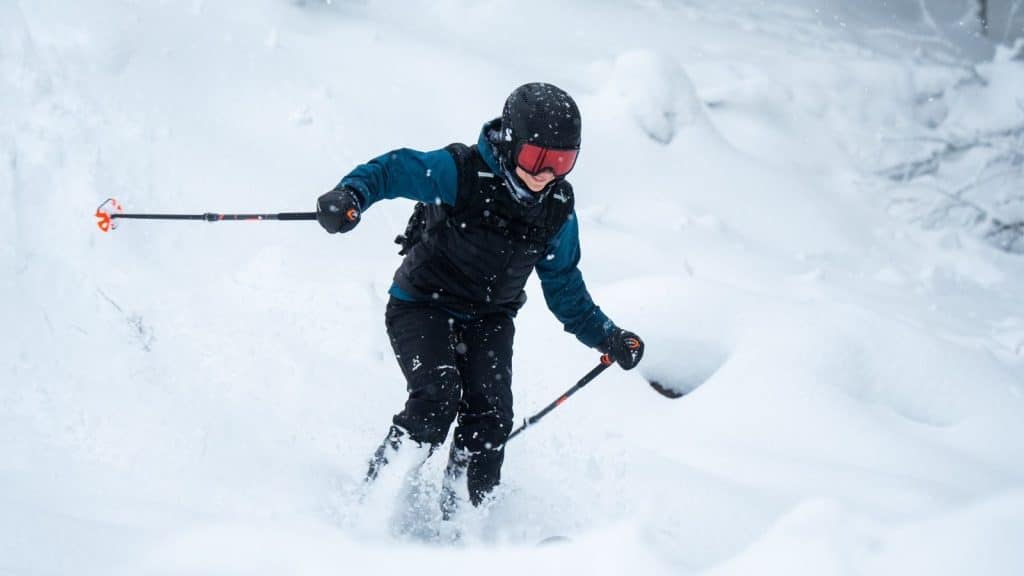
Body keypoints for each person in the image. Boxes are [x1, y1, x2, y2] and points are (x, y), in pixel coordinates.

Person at [316, 82, 645, 514]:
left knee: (490, 421)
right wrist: (351, 195)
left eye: (562, 162)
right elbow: (394, 170)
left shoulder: (555, 211)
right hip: (421, 305)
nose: (546, 174)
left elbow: (565, 288)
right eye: (536, 158)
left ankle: (464, 524)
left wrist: (609, 336)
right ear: (511, 143)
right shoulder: (462, 172)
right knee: (437, 398)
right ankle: (371, 505)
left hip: (489, 319)